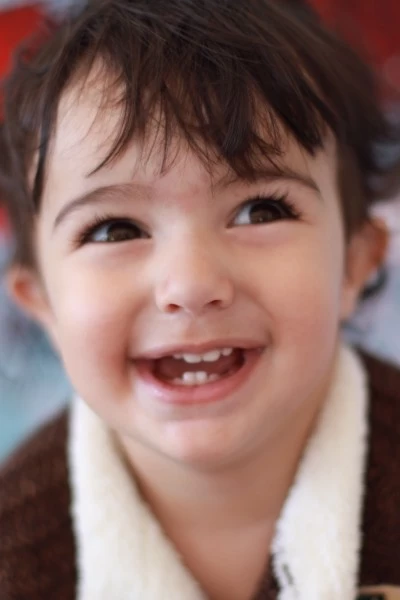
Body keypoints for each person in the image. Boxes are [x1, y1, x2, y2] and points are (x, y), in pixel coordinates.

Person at [0, 1, 399, 598]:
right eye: (115, 229)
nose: (190, 285)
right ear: (43, 306)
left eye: (260, 211)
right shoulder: (15, 554)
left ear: (356, 263)